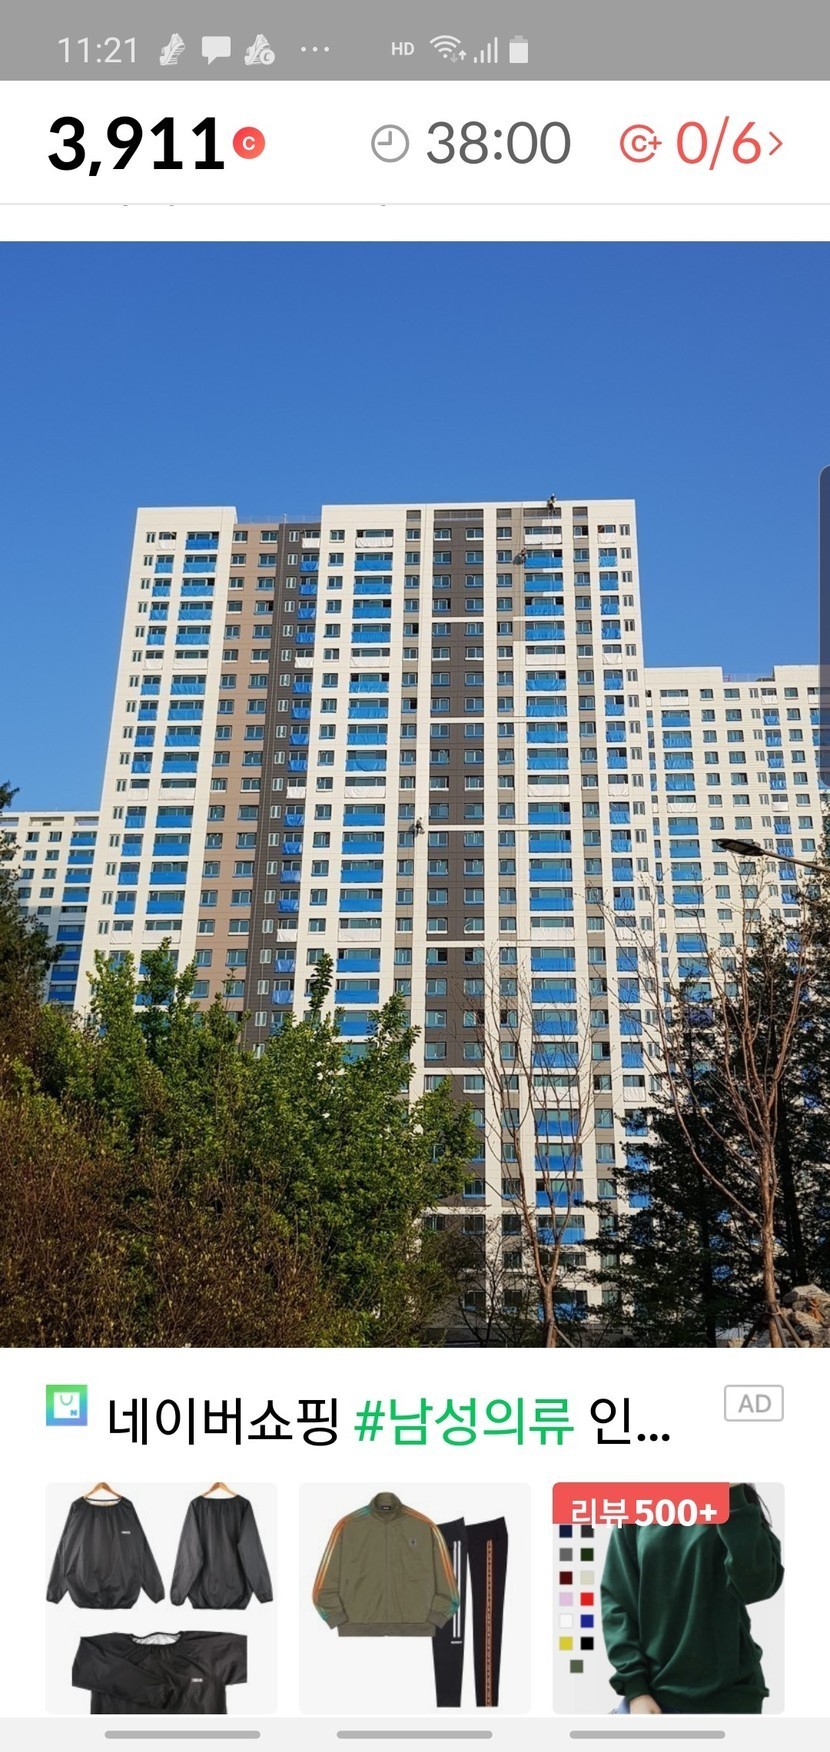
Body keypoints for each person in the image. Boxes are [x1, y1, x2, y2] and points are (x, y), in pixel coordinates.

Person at [600, 1485, 783, 1715]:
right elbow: (617, 1603)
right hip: (652, 1696)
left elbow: (757, 1587)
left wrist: (732, 1496)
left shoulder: (735, 1499)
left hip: (728, 1698)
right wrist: (636, 1690)